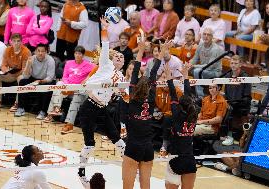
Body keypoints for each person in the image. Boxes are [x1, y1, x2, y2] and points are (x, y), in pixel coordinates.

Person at [79, 18, 126, 164]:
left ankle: (130, 166)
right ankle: (81, 170)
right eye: (117, 55)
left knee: (117, 138)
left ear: (123, 62)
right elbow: (105, 45)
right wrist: (104, 28)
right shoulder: (106, 65)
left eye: (122, 56)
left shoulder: (122, 77)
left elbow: (125, 95)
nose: (119, 56)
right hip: (89, 107)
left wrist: (123, 94)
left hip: (102, 109)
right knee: (89, 143)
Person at [122, 39, 164, 189]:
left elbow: (135, 70)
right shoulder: (152, 97)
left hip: (133, 146)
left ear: (136, 86)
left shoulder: (132, 96)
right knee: (145, 185)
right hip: (148, 147)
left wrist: (140, 50)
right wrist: (163, 51)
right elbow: (154, 71)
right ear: (150, 87)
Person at [164, 61, 198, 189]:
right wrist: (186, 76)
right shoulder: (193, 116)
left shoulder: (177, 114)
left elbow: (173, 93)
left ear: (179, 105)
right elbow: (188, 95)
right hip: (190, 160)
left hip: (176, 159)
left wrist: (169, 78)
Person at [44, 46, 95, 124]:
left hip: (77, 89)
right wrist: (67, 85)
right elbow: (64, 76)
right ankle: (56, 109)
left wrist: (87, 79)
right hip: (67, 87)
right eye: (76, 53)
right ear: (74, 54)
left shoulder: (88, 65)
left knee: (58, 90)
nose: (77, 55)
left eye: (80, 54)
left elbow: (97, 69)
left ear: (83, 55)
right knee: (59, 84)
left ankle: (51, 114)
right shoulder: (69, 63)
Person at [14, 43, 55, 118]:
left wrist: (41, 81)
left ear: (46, 52)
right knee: (22, 81)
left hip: (45, 80)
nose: (40, 53)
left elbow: (50, 77)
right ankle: (20, 108)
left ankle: (43, 111)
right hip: (33, 78)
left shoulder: (50, 60)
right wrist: (29, 64)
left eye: (42, 51)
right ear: (35, 52)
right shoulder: (31, 59)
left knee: (48, 87)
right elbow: (26, 76)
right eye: (38, 51)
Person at [0, 33, 31, 109]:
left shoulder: (26, 52)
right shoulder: (7, 50)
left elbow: (24, 69)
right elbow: (3, 65)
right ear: (11, 42)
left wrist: (13, 74)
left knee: (20, 78)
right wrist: (5, 70)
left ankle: (17, 103)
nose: (16, 43)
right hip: (11, 74)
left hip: (23, 74)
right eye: (14, 41)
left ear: (21, 42)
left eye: (18, 41)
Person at [223, 55, 251, 146]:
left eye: (236, 63)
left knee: (235, 110)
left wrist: (235, 103)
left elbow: (247, 95)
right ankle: (230, 136)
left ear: (240, 64)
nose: (233, 65)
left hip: (242, 104)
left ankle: (246, 136)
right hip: (231, 103)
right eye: (232, 63)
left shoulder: (245, 77)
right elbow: (226, 92)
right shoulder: (227, 75)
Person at [190, 28, 224, 98]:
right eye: (204, 34)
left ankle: (200, 96)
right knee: (187, 69)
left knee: (197, 71)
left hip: (214, 72)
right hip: (204, 70)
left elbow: (209, 66)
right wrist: (189, 64)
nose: (206, 36)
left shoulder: (215, 49)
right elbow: (195, 59)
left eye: (208, 35)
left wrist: (194, 66)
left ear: (212, 37)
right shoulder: (200, 45)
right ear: (202, 36)